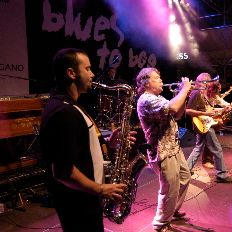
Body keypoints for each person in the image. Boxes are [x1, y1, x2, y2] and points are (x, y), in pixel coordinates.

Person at [40, 48, 136, 232]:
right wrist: (100, 189)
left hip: (85, 199)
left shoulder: (71, 106)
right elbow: (62, 170)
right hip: (78, 203)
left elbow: (78, 149)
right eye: (88, 69)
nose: (92, 74)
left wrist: (109, 144)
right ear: (71, 73)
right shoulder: (63, 111)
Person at [136, 67, 192, 232]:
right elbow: (173, 108)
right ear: (146, 83)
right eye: (157, 78)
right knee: (169, 188)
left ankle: (171, 210)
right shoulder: (146, 99)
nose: (161, 80)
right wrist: (186, 88)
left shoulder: (158, 97)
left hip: (173, 146)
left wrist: (184, 95)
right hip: (161, 150)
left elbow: (178, 114)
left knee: (184, 178)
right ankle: (160, 223)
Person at [186, 73, 232, 183]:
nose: (209, 83)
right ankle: (222, 175)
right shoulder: (196, 92)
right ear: (203, 82)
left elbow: (209, 108)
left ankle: (185, 171)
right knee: (217, 149)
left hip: (206, 123)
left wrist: (222, 109)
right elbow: (188, 111)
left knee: (198, 148)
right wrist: (206, 113)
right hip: (202, 123)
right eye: (208, 81)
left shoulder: (205, 93)